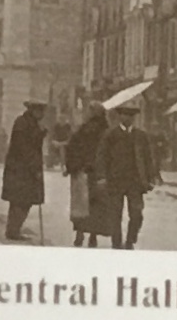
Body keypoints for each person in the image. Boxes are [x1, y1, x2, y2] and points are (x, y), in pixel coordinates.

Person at [100, 104, 155, 249]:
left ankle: (130, 240)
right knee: (115, 214)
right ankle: (116, 242)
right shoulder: (111, 135)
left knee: (137, 214)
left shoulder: (141, 136)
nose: (128, 118)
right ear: (120, 116)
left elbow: (148, 158)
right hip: (115, 180)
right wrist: (102, 177)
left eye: (131, 116)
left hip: (135, 181)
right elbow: (102, 157)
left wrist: (150, 178)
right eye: (125, 115)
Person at [3, 99, 49, 241]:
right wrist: (34, 167)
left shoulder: (30, 123)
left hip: (24, 168)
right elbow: (24, 147)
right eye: (40, 111)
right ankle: (13, 230)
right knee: (21, 200)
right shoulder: (23, 123)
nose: (42, 114)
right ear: (33, 111)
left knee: (22, 200)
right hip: (21, 169)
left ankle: (13, 229)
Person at [66, 103, 110, 247]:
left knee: (82, 205)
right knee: (94, 205)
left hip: (86, 171)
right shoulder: (105, 130)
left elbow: (72, 148)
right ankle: (92, 235)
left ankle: (81, 234)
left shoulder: (84, 130)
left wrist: (73, 166)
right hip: (95, 172)